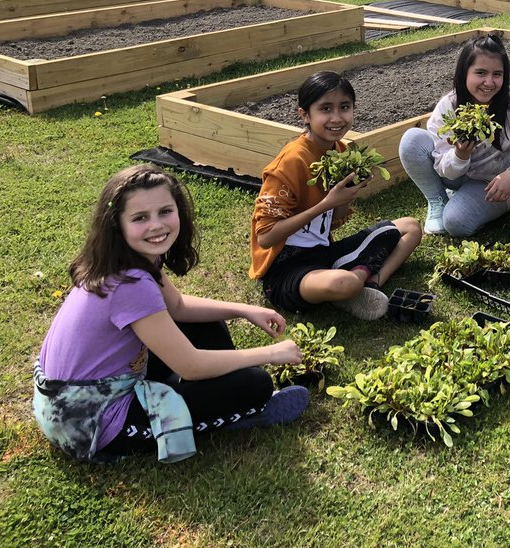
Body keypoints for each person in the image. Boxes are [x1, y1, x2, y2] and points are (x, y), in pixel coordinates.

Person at [34, 165, 309, 463]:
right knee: (255, 385)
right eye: (140, 218)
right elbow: (190, 365)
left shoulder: (124, 260)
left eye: (165, 211)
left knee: (207, 324)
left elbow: (177, 307)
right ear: (117, 224)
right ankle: (236, 413)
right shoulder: (130, 284)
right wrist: (271, 353)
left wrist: (243, 310)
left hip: (69, 398)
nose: (156, 225)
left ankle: (216, 396)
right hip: (89, 423)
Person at [250, 72, 422, 321]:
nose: (337, 118)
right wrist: (326, 204)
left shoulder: (340, 151)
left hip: (324, 253)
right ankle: (353, 284)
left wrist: (345, 199)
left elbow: (332, 221)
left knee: (411, 228)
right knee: (344, 283)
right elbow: (265, 238)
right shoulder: (291, 162)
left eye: (344, 107)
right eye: (325, 109)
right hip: (285, 270)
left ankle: (371, 284)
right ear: (304, 115)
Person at [399, 33, 510, 237]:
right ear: (465, 72)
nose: (489, 82)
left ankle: (482, 201)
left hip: (494, 182)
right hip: (457, 175)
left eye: (497, 74)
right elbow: (446, 171)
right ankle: (437, 200)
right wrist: (460, 156)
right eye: (481, 73)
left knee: (456, 223)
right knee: (412, 140)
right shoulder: (449, 106)